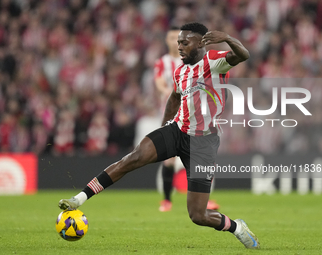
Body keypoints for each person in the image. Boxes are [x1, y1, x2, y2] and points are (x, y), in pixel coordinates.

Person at [59, 22, 260, 249]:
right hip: (178, 130)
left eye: (185, 42)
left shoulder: (215, 61)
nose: (180, 47)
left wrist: (227, 37)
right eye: (178, 43)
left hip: (203, 144)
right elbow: (174, 98)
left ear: (201, 42)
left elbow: (244, 54)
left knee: (198, 215)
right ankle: (79, 199)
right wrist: (164, 129)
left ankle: (236, 227)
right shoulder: (180, 71)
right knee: (132, 158)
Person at [154, 26, 219, 212]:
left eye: (179, 37)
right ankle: (167, 200)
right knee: (170, 159)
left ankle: (204, 200)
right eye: (172, 37)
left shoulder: (195, 59)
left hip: (196, 115)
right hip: (174, 113)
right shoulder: (163, 62)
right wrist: (169, 91)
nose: (177, 41)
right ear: (168, 41)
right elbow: (159, 82)